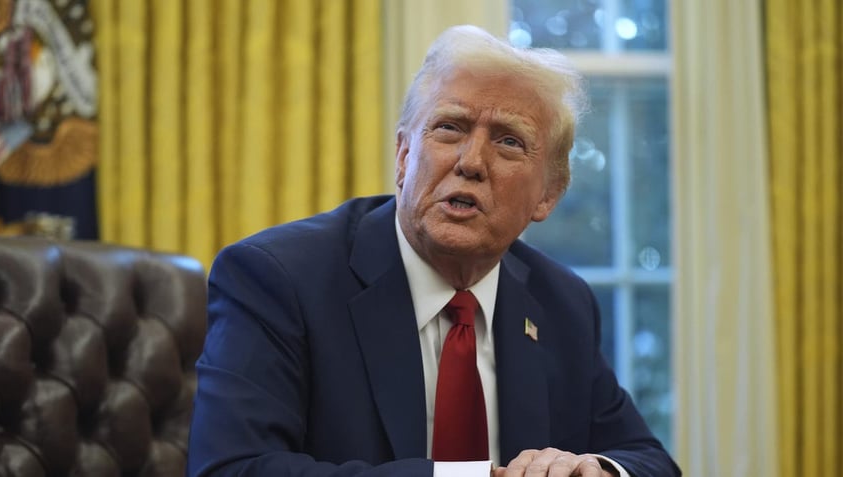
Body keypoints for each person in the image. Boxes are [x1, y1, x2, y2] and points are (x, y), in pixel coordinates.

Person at [187, 25, 681, 477]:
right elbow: (232, 468)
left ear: (548, 194)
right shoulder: (278, 278)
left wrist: (594, 469)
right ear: (404, 157)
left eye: (509, 142)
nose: (471, 162)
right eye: (450, 127)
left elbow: (649, 460)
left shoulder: (561, 302)